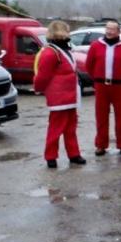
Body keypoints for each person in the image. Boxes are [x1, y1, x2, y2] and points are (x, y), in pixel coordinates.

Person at [33, 20, 86, 168]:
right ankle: (51, 156)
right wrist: (38, 88)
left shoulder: (64, 50)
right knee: (56, 129)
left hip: (71, 96)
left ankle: (74, 154)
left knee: (71, 128)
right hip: (59, 97)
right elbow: (42, 76)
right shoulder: (50, 52)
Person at [85, 20, 121, 155]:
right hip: (101, 85)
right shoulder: (95, 46)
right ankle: (101, 144)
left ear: (119, 31)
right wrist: (96, 78)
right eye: (107, 29)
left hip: (120, 86)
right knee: (101, 116)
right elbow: (89, 65)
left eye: (113, 29)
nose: (109, 31)